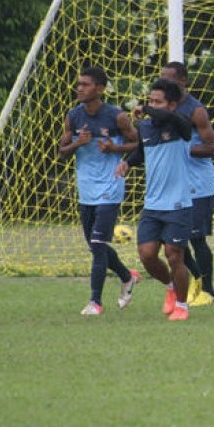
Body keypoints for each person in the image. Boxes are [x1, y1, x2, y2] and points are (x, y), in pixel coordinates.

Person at [59, 66, 141, 316]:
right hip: (86, 188)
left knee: (97, 242)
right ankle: (127, 277)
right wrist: (77, 143)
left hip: (110, 186)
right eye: (79, 84)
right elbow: (62, 152)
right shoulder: (73, 116)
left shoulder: (116, 117)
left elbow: (138, 144)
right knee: (96, 247)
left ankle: (95, 302)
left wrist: (115, 150)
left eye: (85, 84)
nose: (79, 88)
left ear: (100, 89)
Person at [114, 79, 194, 321]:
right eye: (150, 101)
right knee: (147, 255)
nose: (151, 105)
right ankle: (171, 288)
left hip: (178, 203)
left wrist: (147, 110)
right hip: (153, 204)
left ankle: (182, 305)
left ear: (171, 105)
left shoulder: (181, 125)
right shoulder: (147, 128)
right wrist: (128, 161)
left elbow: (180, 123)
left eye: (157, 102)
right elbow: (143, 150)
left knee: (174, 254)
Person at [161, 61, 214, 306]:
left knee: (196, 239)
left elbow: (212, 148)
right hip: (173, 184)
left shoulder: (196, 110)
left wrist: (183, 149)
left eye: (170, 79)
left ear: (183, 81)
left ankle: (208, 291)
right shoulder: (163, 107)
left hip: (198, 184)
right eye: (162, 78)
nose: (165, 84)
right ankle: (194, 280)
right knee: (171, 240)